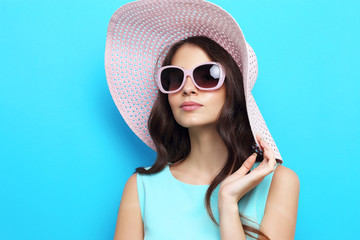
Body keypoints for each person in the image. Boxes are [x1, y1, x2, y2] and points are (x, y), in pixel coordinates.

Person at [105, 0, 299, 239]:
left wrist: (227, 203)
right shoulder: (140, 187)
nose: (187, 88)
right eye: (174, 78)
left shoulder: (278, 183)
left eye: (207, 76)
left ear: (233, 88)